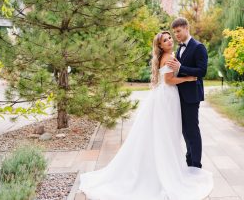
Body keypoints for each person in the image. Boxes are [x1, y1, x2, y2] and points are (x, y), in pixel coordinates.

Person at [79, 30, 213, 200]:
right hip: (167, 97)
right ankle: (163, 169)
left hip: (167, 96)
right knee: (166, 134)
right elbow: (169, 80)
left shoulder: (171, 54)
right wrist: (188, 79)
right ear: (160, 45)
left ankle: (166, 165)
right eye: (165, 40)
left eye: (170, 37)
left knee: (166, 133)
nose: (170, 40)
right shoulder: (168, 57)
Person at [166, 17, 207, 168]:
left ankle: (196, 164)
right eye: (174, 32)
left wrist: (180, 68)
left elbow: (202, 71)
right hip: (180, 95)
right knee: (185, 130)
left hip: (192, 96)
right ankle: (189, 159)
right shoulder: (179, 48)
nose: (176, 35)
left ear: (186, 29)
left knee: (192, 130)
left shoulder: (199, 47)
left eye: (178, 31)